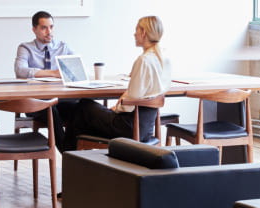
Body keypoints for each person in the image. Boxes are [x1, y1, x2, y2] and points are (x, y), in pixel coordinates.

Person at [64, 16, 171, 151]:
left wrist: (117, 107)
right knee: (85, 117)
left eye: (136, 30)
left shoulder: (144, 60)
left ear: (144, 33)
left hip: (129, 127)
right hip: (146, 128)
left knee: (83, 105)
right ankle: (76, 154)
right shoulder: (164, 58)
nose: (134, 34)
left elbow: (131, 102)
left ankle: (68, 153)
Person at [14, 10, 77, 151]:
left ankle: (76, 151)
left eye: (51, 27)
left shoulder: (62, 47)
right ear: (34, 30)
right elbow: (20, 70)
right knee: (51, 110)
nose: (49, 31)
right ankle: (69, 154)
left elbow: (76, 68)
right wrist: (53, 74)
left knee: (81, 107)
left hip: (60, 99)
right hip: (35, 102)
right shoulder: (25, 48)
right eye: (44, 28)